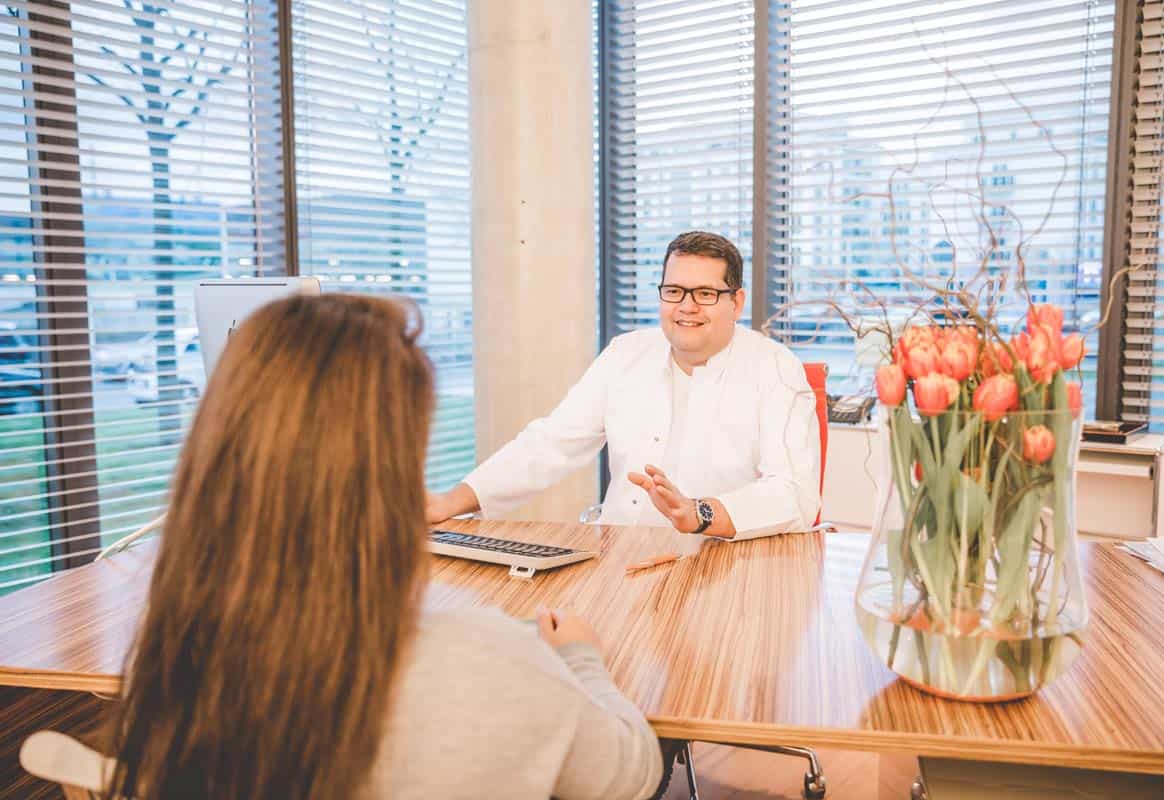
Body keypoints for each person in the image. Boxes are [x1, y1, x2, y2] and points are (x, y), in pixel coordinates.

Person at [104, 294, 662, 800]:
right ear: (390, 469)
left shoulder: (176, 657)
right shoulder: (489, 660)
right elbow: (630, 776)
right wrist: (580, 659)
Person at [427, 230, 821, 541]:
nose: (686, 306)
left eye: (705, 294)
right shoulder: (626, 353)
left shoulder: (775, 368)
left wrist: (700, 512)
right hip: (617, 558)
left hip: (723, 566)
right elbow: (551, 443)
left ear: (736, 303)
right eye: (674, 292)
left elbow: (793, 494)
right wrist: (451, 501)